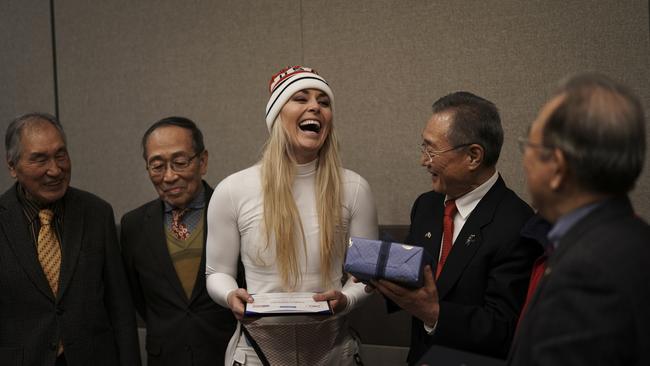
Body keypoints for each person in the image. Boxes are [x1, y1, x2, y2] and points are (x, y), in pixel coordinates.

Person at [205, 66, 378, 365]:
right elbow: (216, 272)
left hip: (334, 352)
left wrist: (347, 298)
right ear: (276, 116)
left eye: (324, 102)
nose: (315, 107)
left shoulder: (355, 188)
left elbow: (366, 276)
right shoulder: (232, 190)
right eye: (301, 98)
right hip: (256, 352)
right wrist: (230, 295)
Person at [371, 92, 541, 363]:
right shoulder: (426, 206)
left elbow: (503, 328)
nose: (423, 161)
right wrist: (380, 276)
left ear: (473, 156)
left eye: (432, 150)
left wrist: (434, 312)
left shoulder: (516, 223)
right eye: (423, 148)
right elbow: (418, 278)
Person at [508, 73, 650, 365]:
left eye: (528, 147)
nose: (524, 161)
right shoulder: (635, 237)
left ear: (557, 167)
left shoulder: (587, 274)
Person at [0, 113, 141, 366]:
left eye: (60, 155)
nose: (55, 169)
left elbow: (120, 307)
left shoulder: (97, 213)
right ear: (12, 166)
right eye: (39, 159)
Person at [120, 117, 237, 365]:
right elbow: (137, 298)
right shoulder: (133, 225)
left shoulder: (234, 214)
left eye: (180, 162)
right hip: (165, 357)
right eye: (157, 166)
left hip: (227, 354)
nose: (169, 176)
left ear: (202, 161)